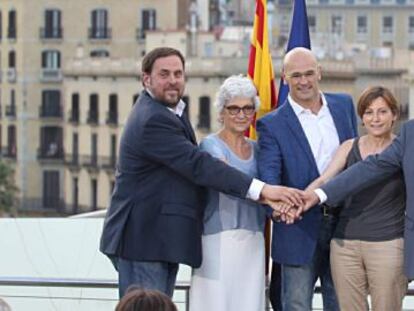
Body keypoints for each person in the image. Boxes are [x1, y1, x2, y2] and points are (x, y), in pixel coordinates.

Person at [99, 47, 304, 298]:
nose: (173, 80)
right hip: (143, 240)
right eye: (164, 74)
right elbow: (198, 165)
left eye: (178, 73)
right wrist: (265, 190)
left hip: (158, 239)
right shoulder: (153, 118)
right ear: (146, 79)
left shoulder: (169, 111)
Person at [257, 47, 358, 311]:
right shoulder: (271, 124)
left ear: (320, 73)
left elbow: (356, 161)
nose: (304, 81)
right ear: (284, 77)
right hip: (298, 228)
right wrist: (279, 210)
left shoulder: (344, 105)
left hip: (346, 227)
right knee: (297, 305)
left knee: (342, 304)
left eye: (309, 73)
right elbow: (269, 179)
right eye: (296, 75)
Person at [305, 86, 407, 310]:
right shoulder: (349, 147)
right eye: (369, 112)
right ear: (361, 117)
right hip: (344, 246)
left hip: (388, 245)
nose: (375, 118)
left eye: (382, 112)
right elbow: (325, 181)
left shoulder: (403, 149)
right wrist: (301, 199)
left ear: (394, 115)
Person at [189, 75, 266, 311]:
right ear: (221, 112)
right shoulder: (210, 145)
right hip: (216, 240)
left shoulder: (258, 148)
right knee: (214, 304)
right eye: (234, 109)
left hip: (254, 242)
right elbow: (225, 177)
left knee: (250, 304)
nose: (241, 115)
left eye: (247, 108)